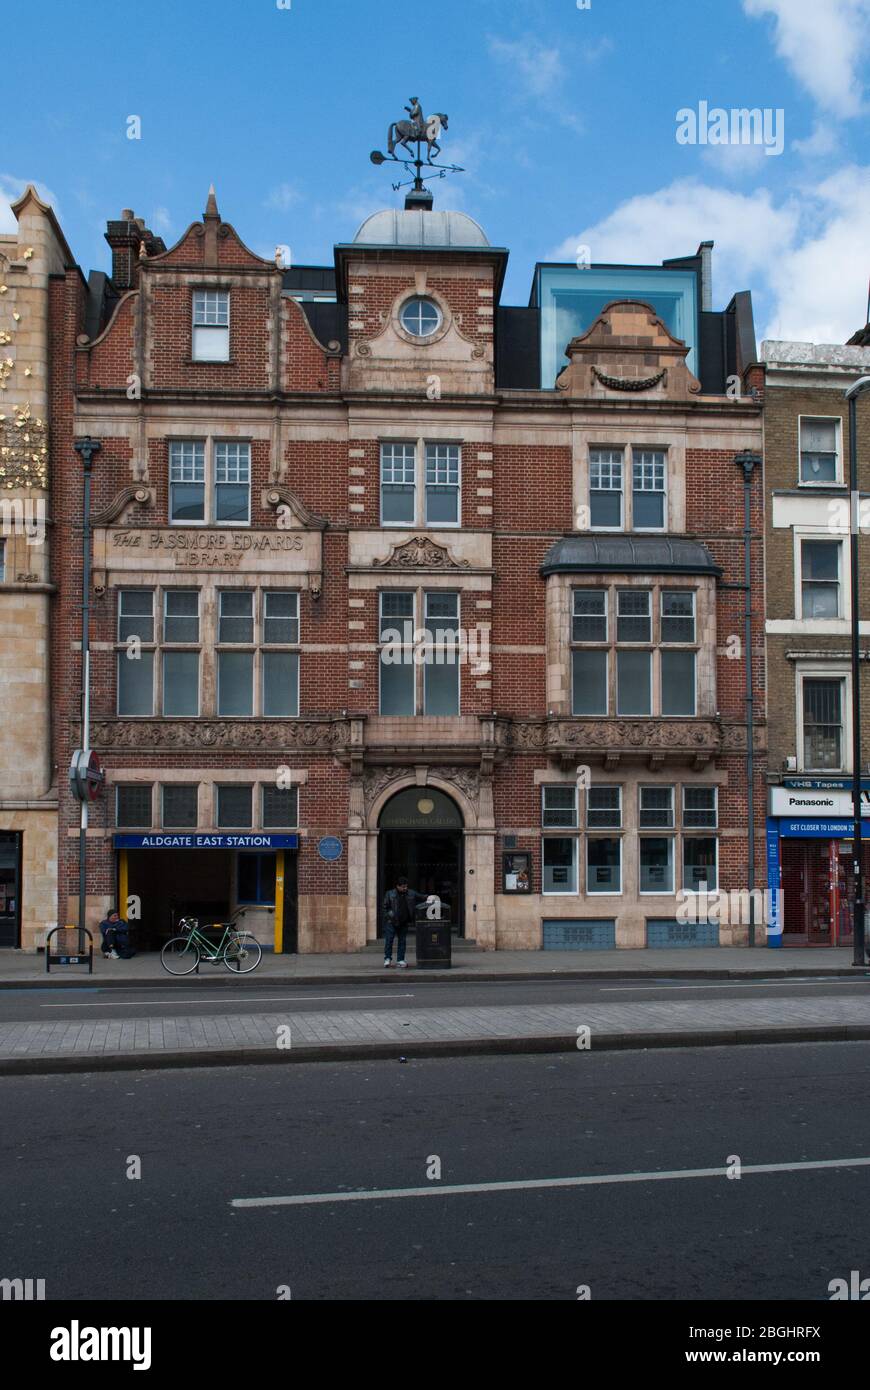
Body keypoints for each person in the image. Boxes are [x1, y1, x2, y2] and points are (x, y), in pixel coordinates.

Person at [382, 876, 422, 968]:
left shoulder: (410, 893)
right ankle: (387, 959)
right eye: (403, 887)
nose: (405, 888)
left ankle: (400, 960)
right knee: (389, 940)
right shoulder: (390, 894)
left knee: (402, 942)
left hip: (403, 922)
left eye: (406, 886)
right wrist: (390, 916)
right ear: (397, 886)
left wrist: (430, 897)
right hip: (391, 922)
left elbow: (420, 896)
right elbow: (385, 907)